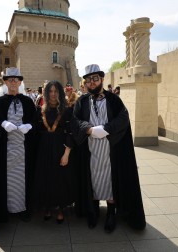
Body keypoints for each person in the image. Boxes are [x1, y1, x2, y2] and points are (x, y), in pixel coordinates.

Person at [72, 64, 146, 233]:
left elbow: (123, 118)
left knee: (111, 180)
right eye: (88, 80)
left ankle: (111, 212)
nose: (92, 82)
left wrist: (107, 129)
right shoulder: (82, 101)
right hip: (91, 151)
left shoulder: (114, 100)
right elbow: (75, 120)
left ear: (102, 79)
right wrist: (88, 129)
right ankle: (94, 210)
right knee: (92, 180)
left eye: (95, 79)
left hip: (110, 151)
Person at [0, 67, 36, 233]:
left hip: (23, 151)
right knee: (3, 181)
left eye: (16, 80)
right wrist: (2, 124)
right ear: (5, 82)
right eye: (9, 80)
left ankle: (22, 210)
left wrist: (30, 126)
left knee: (22, 181)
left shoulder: (28, 102)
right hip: (4, 151)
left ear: (20, 82)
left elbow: (35, 120)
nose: (13, 82)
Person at [33, 80, 77, 224]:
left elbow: (71, 133)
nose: (53, 94)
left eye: (56, 91)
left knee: (60, 179)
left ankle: (60, 209)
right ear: (46, 93)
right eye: (50, 91)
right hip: (44, 150)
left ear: (60, 92)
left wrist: (67, 153)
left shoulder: (68, 110)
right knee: (46, 177)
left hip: (60, 148)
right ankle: (47, 206)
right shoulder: (41, 110)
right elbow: (36, 132)